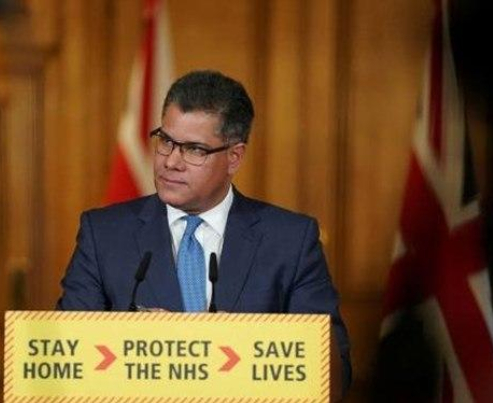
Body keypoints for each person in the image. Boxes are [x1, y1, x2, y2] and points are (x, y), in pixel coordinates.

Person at [57, 70, 351, 396]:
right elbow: (67, 361)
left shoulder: (291, 241)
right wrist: (138, 345)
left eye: (194, 150)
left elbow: (333, 375)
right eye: (166, 141)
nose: (171, 161)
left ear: (234, 157)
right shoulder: (104, 235)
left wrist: (242, 342)